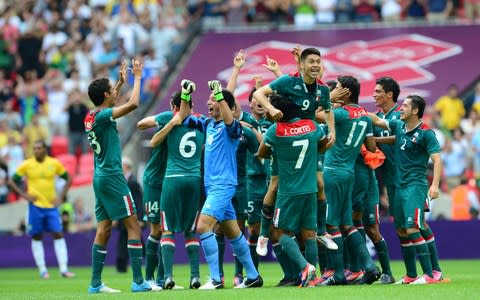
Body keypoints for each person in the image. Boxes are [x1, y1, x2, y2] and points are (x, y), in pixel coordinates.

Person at [175, 78, 263, 289]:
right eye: (209, 99)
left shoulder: (233, 128)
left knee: (203, 226)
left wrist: (221, 96)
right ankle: (253, 276)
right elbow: (183, 118)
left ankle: (215, 279)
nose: (210, 102)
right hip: (212, 186)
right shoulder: (207, 124)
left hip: (223, 185)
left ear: (227, 106)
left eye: (214, 100)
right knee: (233, 232)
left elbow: (230, 120)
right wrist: (186, 94)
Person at [84, 59, 160, 293]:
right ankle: (139, 282)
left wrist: (118, 83)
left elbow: (107, 99)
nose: (115, 93)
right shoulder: (106, 116)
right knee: (133, 225)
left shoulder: (90, 116)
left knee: (104, 228)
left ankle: (95, 283)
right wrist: (138, 76)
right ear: (106, 95)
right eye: (112, 90)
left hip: (100, 177)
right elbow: (134, 103)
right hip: (114, 177)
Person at [373, 77, 445, 283]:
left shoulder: (426, 133)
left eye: (405, 105)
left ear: (415, 111)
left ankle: (432, 274)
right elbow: (378, 122)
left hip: (415, 185)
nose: (401, 108)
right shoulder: (400, 127)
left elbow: (438, 159)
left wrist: (435, 185)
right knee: (405, 227)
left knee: (414, 226)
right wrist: (361, 119)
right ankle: (412, 275)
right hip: (398, 185)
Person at [257, 93, 327, 287]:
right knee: (309, 235)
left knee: (280, 233)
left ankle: (305, 267)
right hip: (310, 189)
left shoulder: (275, 131)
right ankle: (312, 278)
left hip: (288, 192)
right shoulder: (312, 126)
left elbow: (261, 152)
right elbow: (323, 144)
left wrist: (279, 153)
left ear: (279, 112)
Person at [315, 75, 380, 286]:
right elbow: (371, 147)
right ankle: (369, 266)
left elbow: (315, 115)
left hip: (333, 172)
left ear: (347, 93)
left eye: (340, 88)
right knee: (347, 223)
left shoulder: (340, 114)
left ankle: (338, 273)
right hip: (350, 172)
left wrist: (328, 98)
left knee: (331, 223)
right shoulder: (365, 116)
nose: (337, 90)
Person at [148, 91, 205, 290]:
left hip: (172, 179)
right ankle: (195, 277)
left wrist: (172, 123)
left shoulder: (170, 119)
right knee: (190, 230)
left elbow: (153, 142)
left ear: (174, 107)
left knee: (168, 229)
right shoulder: (202, 122)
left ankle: (168, 277)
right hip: (194, 178)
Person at [8, 139, 74, 279]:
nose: (37, 150)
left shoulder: (54, 163)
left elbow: (68, 178)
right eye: (35, 148)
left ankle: (64, 269)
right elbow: (12, 181)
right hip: (35, 207)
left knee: (58, 233)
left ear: (45, 149)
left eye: (39, 148)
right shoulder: (27, 164)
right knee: (37, 236)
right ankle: (43, 270)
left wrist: (60, 197)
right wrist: (24, 195)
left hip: (51, 206)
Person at [115, 157, 145, 274]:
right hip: (124, 217)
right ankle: (121, 267)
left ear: (126, 166)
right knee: (126, 241)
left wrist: (141, 218)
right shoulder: (123, 181)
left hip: (133, 217)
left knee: (133, 241)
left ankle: (122, 267)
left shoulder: (133, 182)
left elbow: (138, 201)